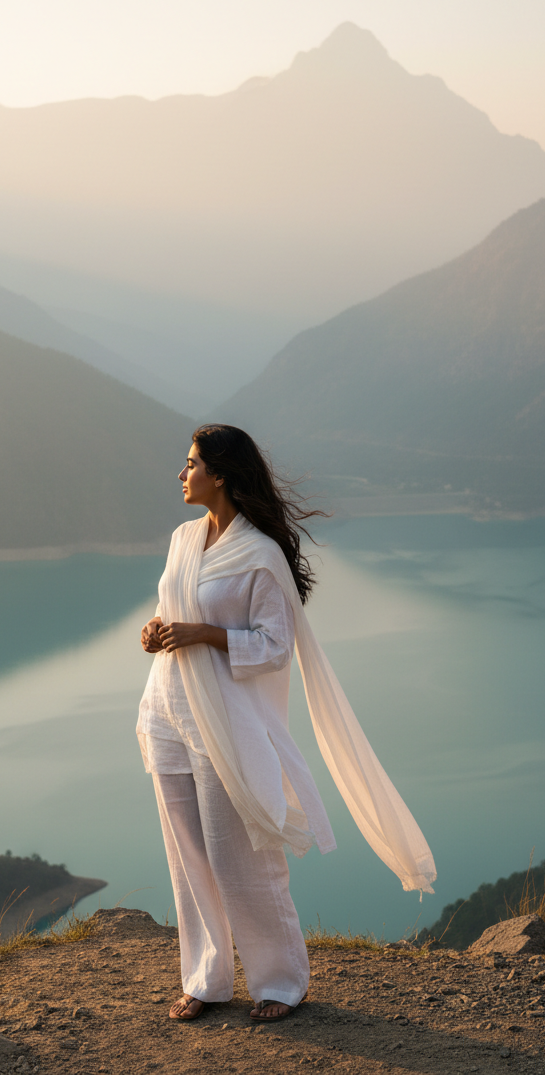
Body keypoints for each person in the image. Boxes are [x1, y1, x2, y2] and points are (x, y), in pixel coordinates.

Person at [137, 424, 435, 1024]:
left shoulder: (261, 554)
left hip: (227, 721)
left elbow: (275, 645)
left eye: (191, 463)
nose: (181, 473)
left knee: (240, 856)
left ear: (219, 474)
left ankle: (280, 982)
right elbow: (177, 605)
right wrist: (156, 628)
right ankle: (207, 978)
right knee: (187, 855)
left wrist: (200, 635)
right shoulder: (182, 540)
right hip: (168, 711)